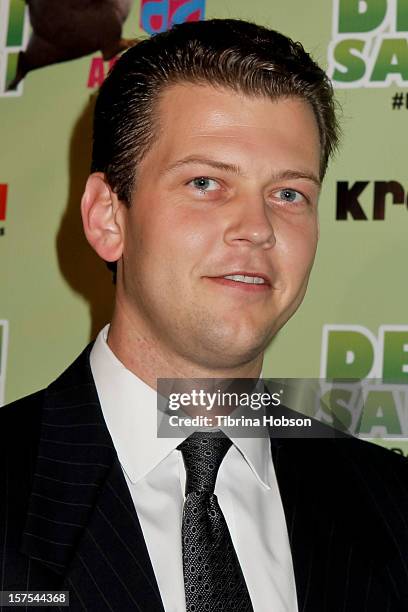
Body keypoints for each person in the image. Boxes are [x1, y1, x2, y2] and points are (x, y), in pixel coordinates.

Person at [1, 18, 407, 612]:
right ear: (108, 218)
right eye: (205, 182)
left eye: (289, 194)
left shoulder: (391, 506)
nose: (257, 228)